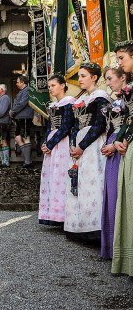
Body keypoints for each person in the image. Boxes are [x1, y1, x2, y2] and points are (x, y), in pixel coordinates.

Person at [65, 62, 110, 243]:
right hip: (80, 146)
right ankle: (80, 228)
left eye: (83, 76)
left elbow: (99, 125)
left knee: (93, 183)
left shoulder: (101, 98)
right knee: (80, 184)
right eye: (79, 76)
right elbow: (75, 126)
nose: (80, 79)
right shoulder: (83, 100)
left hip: (92, 146)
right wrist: (73, 144)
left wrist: (82, 146)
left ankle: (97, 229)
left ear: (94, 78)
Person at [39, 74, 75, 227]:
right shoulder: (53, 105)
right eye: (49, 86)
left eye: (53, 85)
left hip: (62, 143)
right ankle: (53, 214)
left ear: (62, 85)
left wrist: (51, 143)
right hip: (52, 145)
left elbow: (66, 127)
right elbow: (50, 127)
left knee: (60, 176)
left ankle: (64, 215)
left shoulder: (69, 103)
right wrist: (45, 143)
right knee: (51, 176)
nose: (50, 89)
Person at [100, 67, 129, 259]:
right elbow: (109, 127)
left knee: (122, 195)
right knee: (110, 194)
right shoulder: (114, 103)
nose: (109, 83)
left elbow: (128, 123)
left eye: (110, 78)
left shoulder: (129, 100)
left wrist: (116, 142)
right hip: (112, 146)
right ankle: (112, 248)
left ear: (123, 77)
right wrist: (107, 144)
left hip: (124, 145)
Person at [112, 40, 133, 276]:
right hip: (128, 144)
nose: (119, 63)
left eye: (122, 58)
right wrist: (121, 138)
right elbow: (127, 120)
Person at [10, 75, 35, 168]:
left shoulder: (27, 90)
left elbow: (22, 103)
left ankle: (27, 162)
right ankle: (27, 161)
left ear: (22, 82)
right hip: (20, 117)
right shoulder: (22, 91)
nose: (16, 84)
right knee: (18, 138)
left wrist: (13, 111)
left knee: (25, 137)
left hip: (25, 117)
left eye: (17, 82)